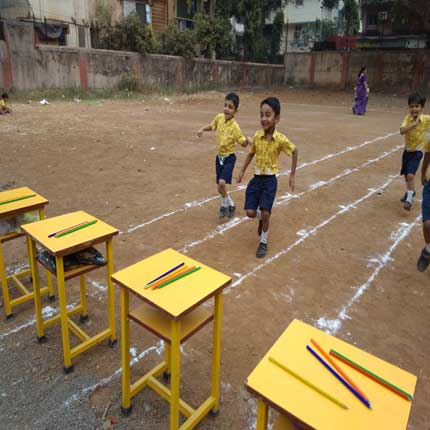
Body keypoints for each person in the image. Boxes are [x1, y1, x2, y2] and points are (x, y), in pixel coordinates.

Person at [237, 97, 298, 258]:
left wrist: (292, 174)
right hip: (256, 180)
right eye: (261, 115)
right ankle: (263, 218)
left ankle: (263, 241)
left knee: (265, 213)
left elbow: (294, 151)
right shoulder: (257, 136)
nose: (264, 119)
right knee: (250, 212)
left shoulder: (280, 139)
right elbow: (251, 153)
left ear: (276, 118)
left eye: (268, 115)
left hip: (270, 181)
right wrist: (242, 171)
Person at [197, 92, 250, 219]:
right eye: (225, 105)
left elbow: (242, 142)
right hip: (219, 158)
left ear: (236, 110)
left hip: (229, 158)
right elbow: (212, 126)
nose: (226, 109)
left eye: (230, 107)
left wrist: (247, 141)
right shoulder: (219, 118)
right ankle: (230, 203)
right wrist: (202, 129)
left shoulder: (235, 127)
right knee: (220, 188)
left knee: (221, 183)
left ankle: (223, 205)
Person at [399, 91, 430, 211]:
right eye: (412, 106)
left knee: (411, 175)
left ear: (422, 107)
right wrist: (413, 124)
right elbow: (402, 131)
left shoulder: (426, 119)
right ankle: (410, 192)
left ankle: (409, 201)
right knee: (406, 177)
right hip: (407, 152)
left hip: (417, 153)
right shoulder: (408, 119)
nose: (414, 109)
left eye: (417, 106)